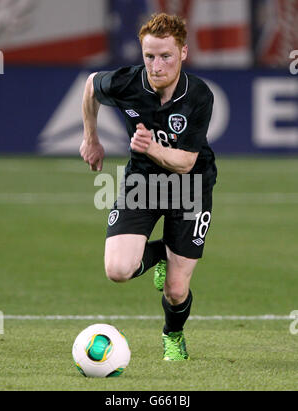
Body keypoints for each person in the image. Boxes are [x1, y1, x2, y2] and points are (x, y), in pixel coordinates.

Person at [80, 13, 217, 361]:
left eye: (166, 56)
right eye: (149, 56)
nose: (156, 66)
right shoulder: (127, 83)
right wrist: (91, 139)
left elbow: (186, 162)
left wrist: (151, 147)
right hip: (142, 182)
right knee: (117, 271)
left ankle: (173, 334)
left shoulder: (198, 95)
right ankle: (159, 253)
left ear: (183, 53)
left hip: (190, 187)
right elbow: (91, 85)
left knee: (175, 289)